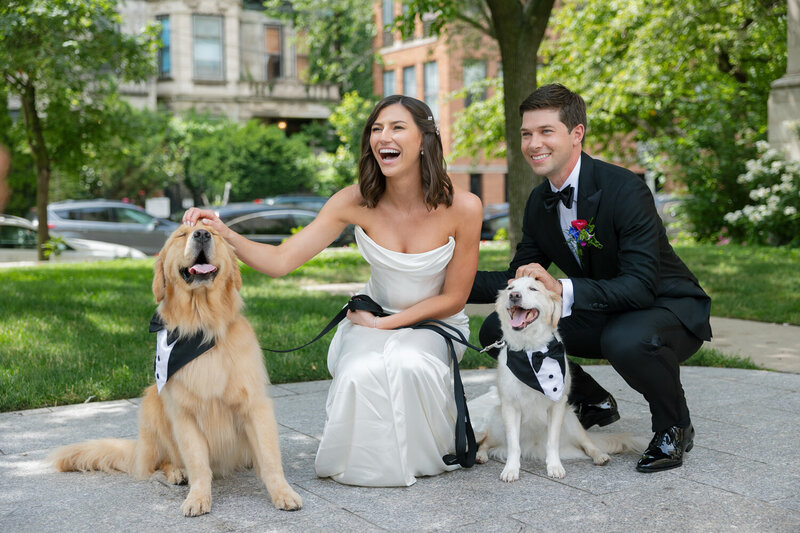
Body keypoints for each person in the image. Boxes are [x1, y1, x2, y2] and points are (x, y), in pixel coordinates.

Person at [183, 95, 483, 486]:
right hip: (372, 314)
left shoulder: (465, 207)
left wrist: (384, 326)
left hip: (435, 323)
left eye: (396, 127)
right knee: (360, 370)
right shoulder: (353, 200)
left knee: (408, 365)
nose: (382, 137)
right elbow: (281, 260)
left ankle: (421, 458)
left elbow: (454, 299)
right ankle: (362, 466)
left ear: (425, 139)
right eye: (376, 129)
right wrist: (224, 233)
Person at [468, 84, 712, 472]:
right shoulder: (539, 201)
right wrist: (445, 280)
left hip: (666, 306)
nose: (533, 144)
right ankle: (592, 399)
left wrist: (561, 288)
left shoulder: (624, 189)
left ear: (576, 133)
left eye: (546, 131)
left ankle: (674, 426)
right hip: (604, 306)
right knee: (497, 332)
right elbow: (517, 277)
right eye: (527, 134)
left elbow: (640, 284)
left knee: (626, 339)